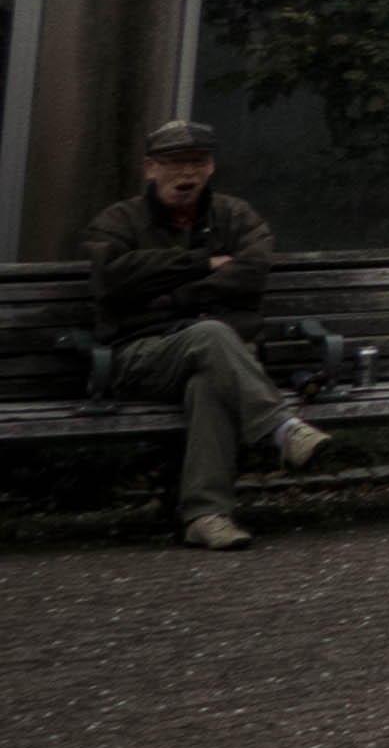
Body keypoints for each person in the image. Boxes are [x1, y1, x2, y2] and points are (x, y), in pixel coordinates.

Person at [82, 122, 327, 550]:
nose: (186, 174)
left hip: (219, 357)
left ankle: (205, 516)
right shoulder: (118, 221)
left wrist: (169, 293)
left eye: (196, 163)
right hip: (142, 355)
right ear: (150, 169)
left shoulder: (237, 216)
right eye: (174, 163)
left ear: (211, 166)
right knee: (213, 333)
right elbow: (113, 279)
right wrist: (201, 262)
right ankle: (281, 427)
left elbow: (250, 274)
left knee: (209, 380)